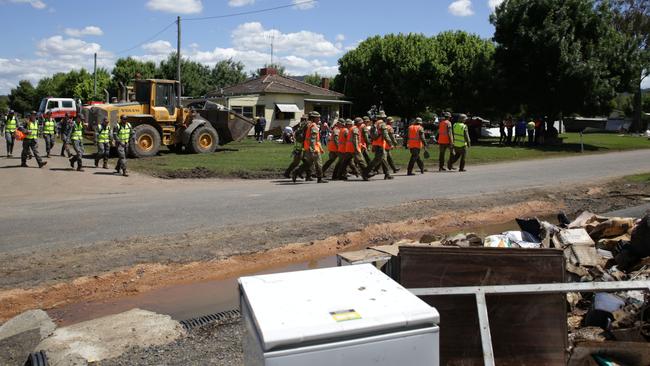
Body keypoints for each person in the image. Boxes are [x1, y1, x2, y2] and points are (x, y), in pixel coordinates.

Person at [293, 111, 327, 183]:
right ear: (314, 118)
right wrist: (313, 149)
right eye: (318, 117)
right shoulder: (314, 126)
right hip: (313, 148)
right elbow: (312, 139)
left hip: (307, 148)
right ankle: (320, 178)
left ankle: (297, 172)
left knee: (308, 163)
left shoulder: (310, 125)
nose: (319, 119)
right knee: (318, 163)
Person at [364, 112, 393, 180]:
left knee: (383, 159)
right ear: (383, 117)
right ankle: (365, 173)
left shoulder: (375, 124)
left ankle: (387, 174)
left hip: (376, 144)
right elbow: (385, 135)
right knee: (376, 160)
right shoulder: (382, 124)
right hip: (380, 145)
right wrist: (390, 143)